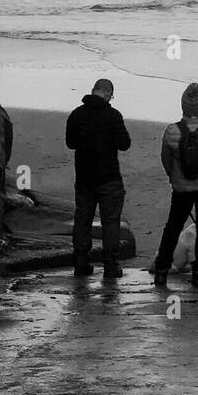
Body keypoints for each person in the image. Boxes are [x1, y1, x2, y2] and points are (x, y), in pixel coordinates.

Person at [154, 81, 198, 289]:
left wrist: (173, 176)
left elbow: (165, 158)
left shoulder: (171, 131)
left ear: (183, 106)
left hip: (181, 187)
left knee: (173, 226)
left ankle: (162, 270)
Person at [65, 78, 131, 279]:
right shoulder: (113, 116)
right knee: (110, 221)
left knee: (82, 219)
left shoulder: (76, 114)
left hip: (84, 176)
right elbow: (124, 144)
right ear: (109, 94)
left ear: (93, 91)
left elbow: (70, 143)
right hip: (108, 176)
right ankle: (110, 265)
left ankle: (81, 262)